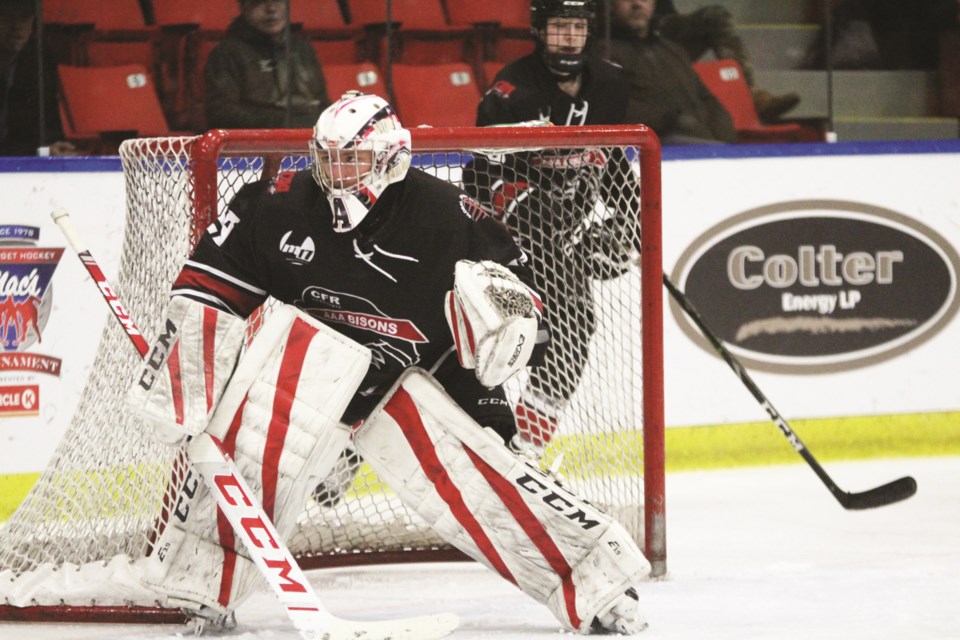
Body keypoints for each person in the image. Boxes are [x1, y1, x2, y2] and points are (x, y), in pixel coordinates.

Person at [128, 91, 649, 635]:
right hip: (318, 369)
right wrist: (183, 385)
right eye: (326, 159)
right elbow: (205, 290)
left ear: (390, 157)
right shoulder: (275, 205)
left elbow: (527, 322)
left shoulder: (447, 218)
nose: (335, 174)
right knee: (250, 441)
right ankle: (202, 587)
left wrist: (510, 336)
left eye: (350, 159)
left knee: (489, 475)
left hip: (424, 368)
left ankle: (598, 584)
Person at [468, 0, 641, 451]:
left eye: (577, 27)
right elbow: (479, 171)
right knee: (481, 337)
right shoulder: (512, 91)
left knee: (574, 327)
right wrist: (524, 210)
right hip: (500, 238)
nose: (568, 37)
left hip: (562, 239)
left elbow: (612, 156)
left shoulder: (610, 85)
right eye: (558, 26)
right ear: (539, 31)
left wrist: (630, 224)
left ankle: (525, 446)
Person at [605, 0, 736, 144]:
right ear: (611, 4)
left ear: (654, 4)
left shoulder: (672, 50)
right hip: (653, 148)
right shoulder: (603, 53)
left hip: (701, 143)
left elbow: (707, 98)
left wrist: (726, 138)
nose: (637, 4)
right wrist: (673, 120)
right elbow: (612, 108)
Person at [653, 0, 801, 122]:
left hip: (662, 29)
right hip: (636, 35)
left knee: (715, 17)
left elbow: (668, 17)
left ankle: (749, 96)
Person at [204, 0, 330, 128]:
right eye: (259, 2)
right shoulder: (227, 53)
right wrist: (286, 123)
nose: (271, 9)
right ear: (243, 7)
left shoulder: (302, 48)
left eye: (278, 1)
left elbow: (323, 105)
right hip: (256, 143)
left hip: (309, 138)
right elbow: (220, 114)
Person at [0, 0, 76, 155]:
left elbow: (47, 123)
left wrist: (51, 148)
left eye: (24, 19)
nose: (17, 28)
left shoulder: (38, 61)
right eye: (9, 18)